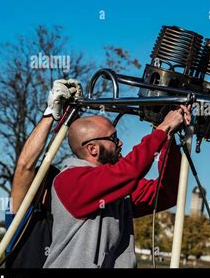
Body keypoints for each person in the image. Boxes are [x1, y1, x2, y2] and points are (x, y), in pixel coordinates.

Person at [43, 105, 191, 268]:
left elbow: (167, 193)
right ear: (93, 149)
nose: (120, 142)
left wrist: (167, 140)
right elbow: (129, 171)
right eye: (113, 138)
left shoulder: (117, 187)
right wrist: (163, 127)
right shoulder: (69, 180)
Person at [5, 79, 81, 268]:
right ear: (40, 191)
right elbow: (25, 166)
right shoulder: (24, 218)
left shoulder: (70, 221)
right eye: (53, 188)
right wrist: (50, 114)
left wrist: (75, 115)